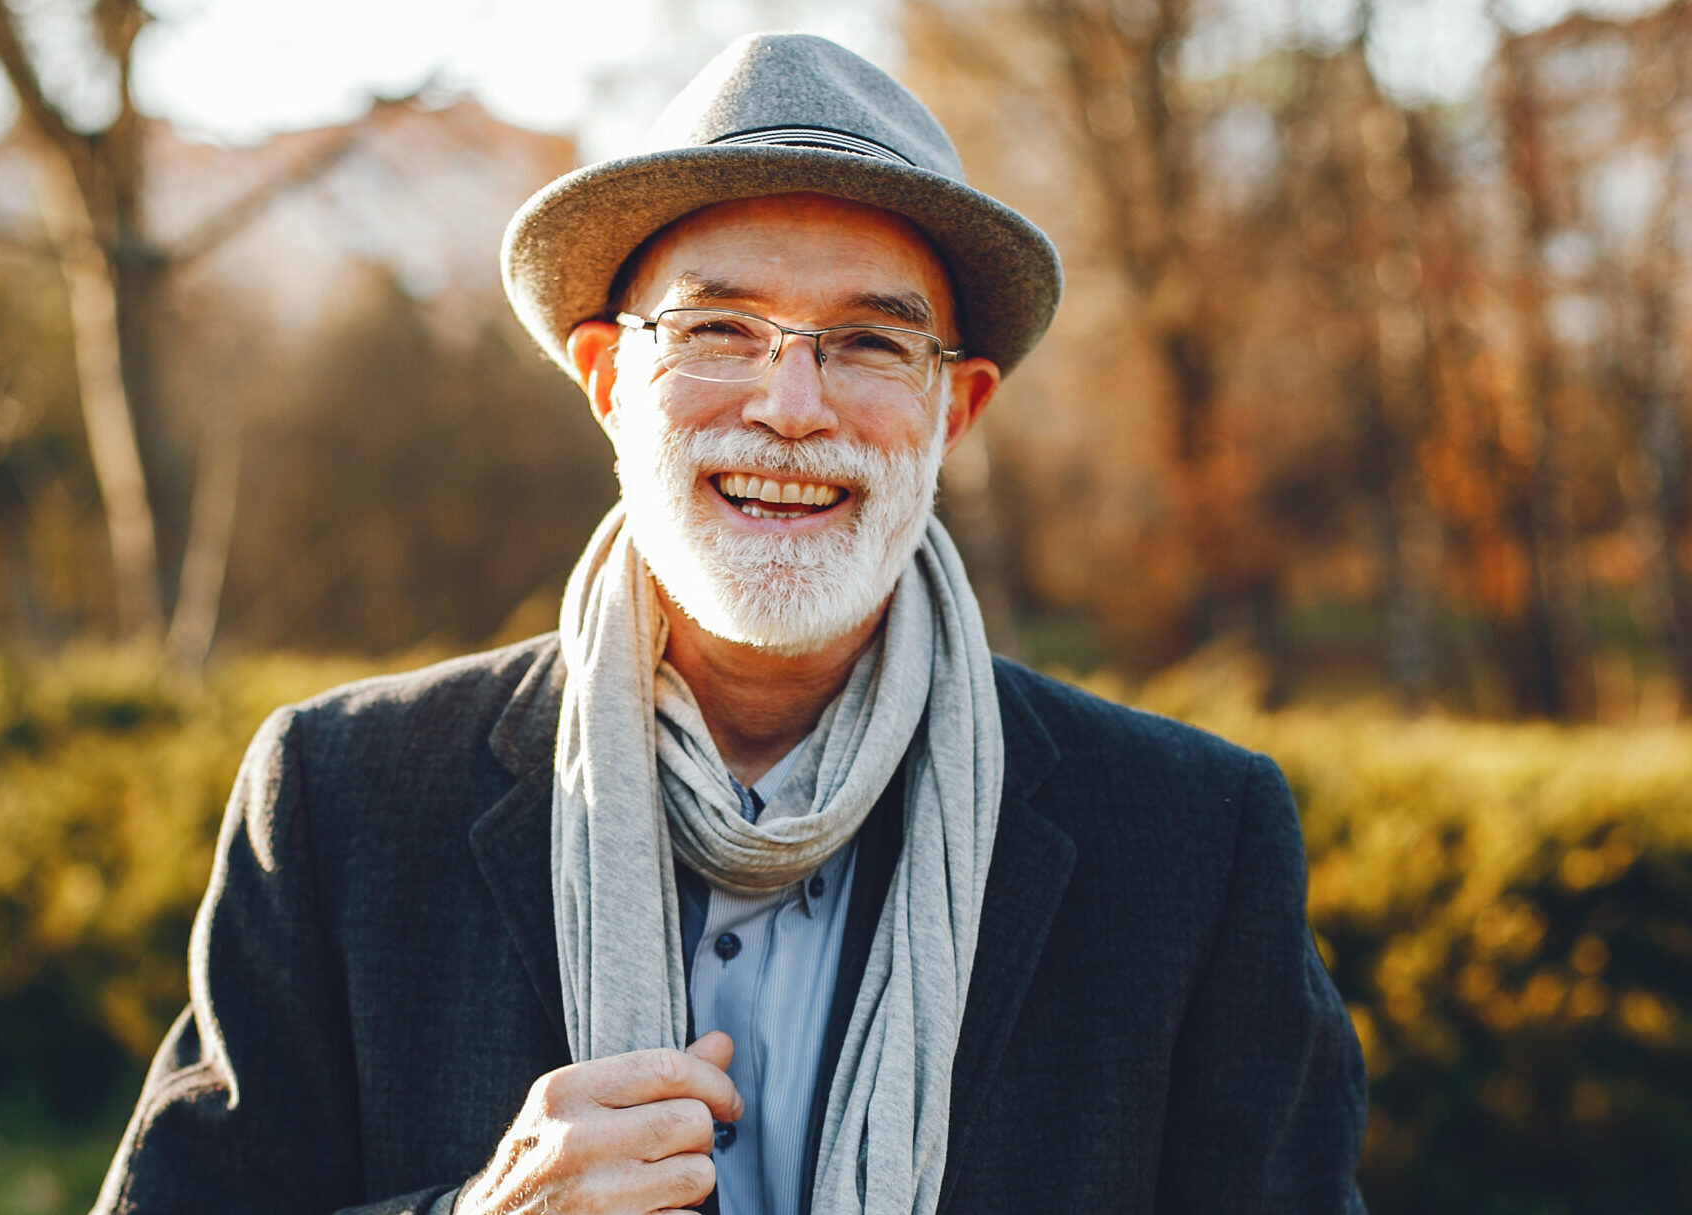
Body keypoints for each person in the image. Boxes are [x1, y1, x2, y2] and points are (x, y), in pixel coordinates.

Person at [93, 32, 1367, 1215]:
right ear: (606, 381)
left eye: (868, 343)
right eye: (717, 329)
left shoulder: (1190, 848)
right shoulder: (343, 802)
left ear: (953, 411)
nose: (791, 404)